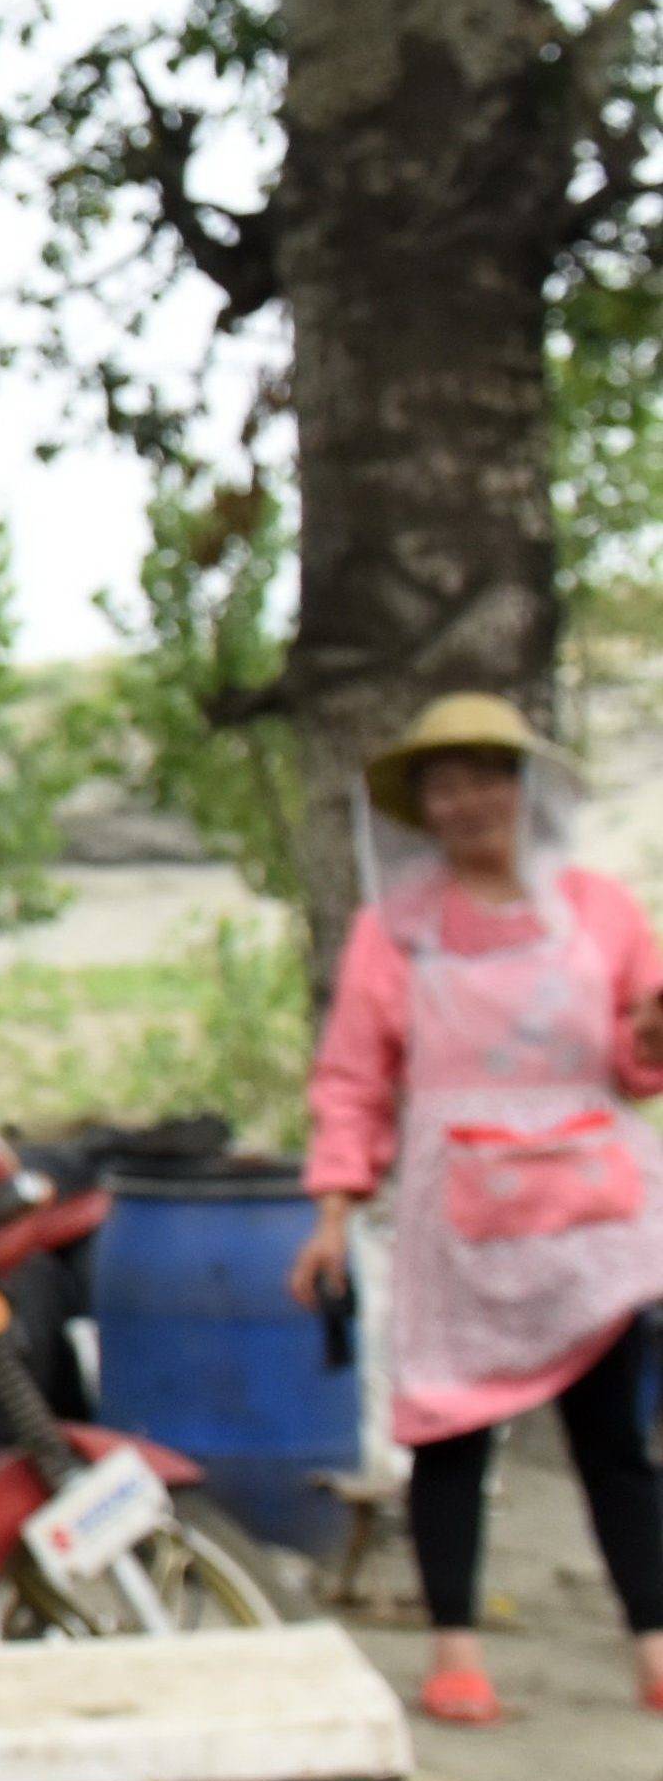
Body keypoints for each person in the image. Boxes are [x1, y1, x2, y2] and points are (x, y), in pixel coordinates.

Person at [292, 694, 663, 1728]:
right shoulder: (394, 932)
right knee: (450, 1425)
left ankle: (653, 1637)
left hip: (590, 1217)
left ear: (524, 787)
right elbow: (352, 1079)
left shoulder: (600, 910)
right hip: (461, 1214)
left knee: (614, 1437)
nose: (466, 801)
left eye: (485, 776)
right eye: (442, 783)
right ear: (419, 807)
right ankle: (453, 1643)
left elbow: (638, 1063)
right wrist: (332, 1208)